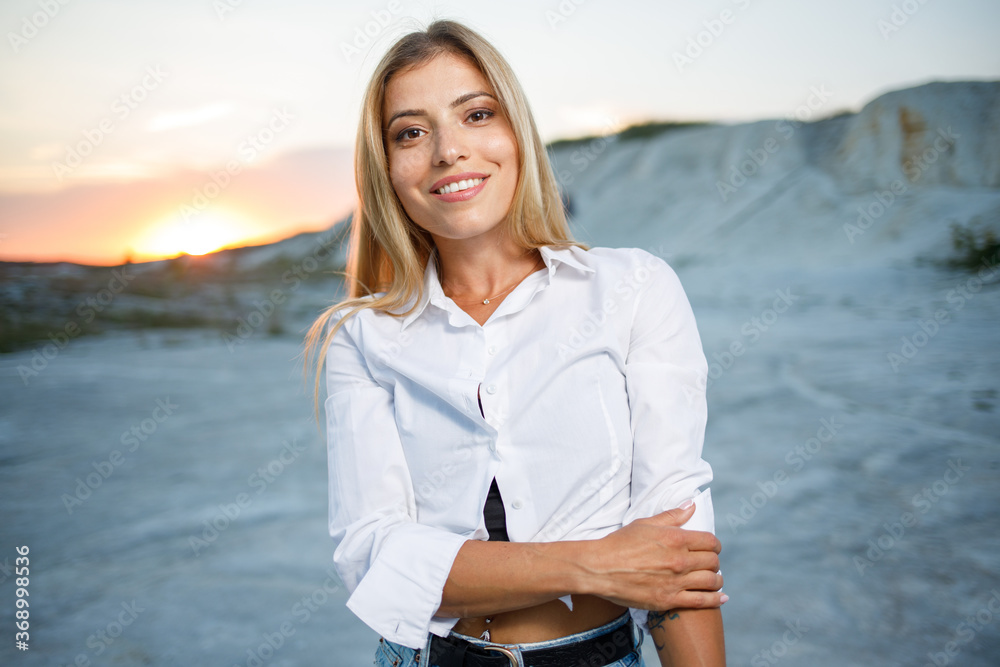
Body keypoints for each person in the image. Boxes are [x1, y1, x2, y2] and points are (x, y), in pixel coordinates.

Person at [304, 19, 726, 667]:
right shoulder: (363, 337)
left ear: (517, 133)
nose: (448, 151)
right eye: (411, 132)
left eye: (477, 114)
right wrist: (595, 564)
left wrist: (623, 568)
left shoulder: (633, 286)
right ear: (386, 167)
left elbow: (674, 532)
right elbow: (377, 559)